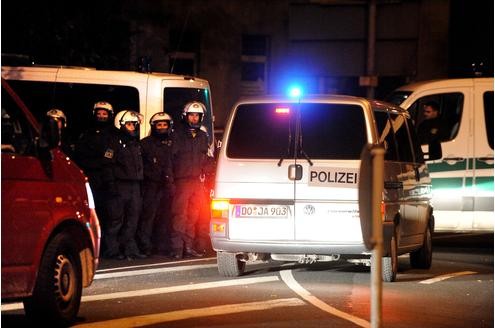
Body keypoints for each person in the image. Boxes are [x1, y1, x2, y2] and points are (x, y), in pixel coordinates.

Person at [102, 109, 146, 260]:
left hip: (135, 186)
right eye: (129, 124)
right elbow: (107, 165)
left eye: (134, 124)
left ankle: (130, 249)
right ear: (120, 125)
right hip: (120, 186)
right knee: (116, 220)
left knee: (133, 219)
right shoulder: (115, 143)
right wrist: (111, 185)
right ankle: (112, 250)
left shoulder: (136, 144)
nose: (132, 127)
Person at [73, 101, 116, 255]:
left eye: (104, 114)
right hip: (90, 177)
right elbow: (80, 155)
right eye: (99, 113)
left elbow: (110, 157)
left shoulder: (113, 134)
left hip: (107, 179)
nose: (101, 116)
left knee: (107, 214)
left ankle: (106, 247)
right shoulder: (86, 133)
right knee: (90, 212)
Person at [169, 101, 210, 259]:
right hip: (181, 181)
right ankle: (177, 248)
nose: (194, 118)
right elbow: (169, 160)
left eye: (197, 115)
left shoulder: (202, 136)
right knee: (180, 215)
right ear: (185, 116)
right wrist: (171, 182)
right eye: (191, 115)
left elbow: (205, 159)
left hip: (197, 182)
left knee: (194, 215)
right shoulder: (176, 134)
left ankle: (189, 246)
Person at [136, 112, 175, 256]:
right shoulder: (145, 144)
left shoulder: (174, 142)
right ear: (153, 126)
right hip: (151, 186)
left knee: (167, 217)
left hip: (169, 185)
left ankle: (163, 246)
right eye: (159, 125)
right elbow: (141, 166)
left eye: (165, 125)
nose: (162, 127)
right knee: (148, 217)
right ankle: (145, 246)